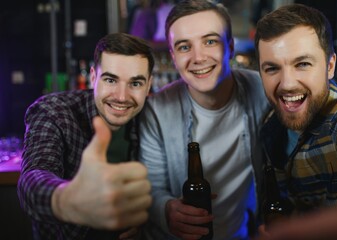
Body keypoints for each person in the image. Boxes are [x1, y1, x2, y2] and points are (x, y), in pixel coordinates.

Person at [138, 0, 270, 239]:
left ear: (230, 46)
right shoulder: (157, 110)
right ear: (173, 56)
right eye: (184, 47)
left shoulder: (264, 91)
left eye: (210, 41)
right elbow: (151, 189)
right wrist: (167, 209)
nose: (198, 58)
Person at [17, 32, 154, 240]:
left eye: (135, 83)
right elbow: (33, 178)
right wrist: (67, 201)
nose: (121, 96)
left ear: (148, 85)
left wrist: (145, 221)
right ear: (93, 77)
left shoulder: (150, 118)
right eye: (110, 80)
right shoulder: (54, 111)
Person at [254, 3, 337, 240]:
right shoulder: (271, 126)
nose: (288, 83)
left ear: (330, 66)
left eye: (302, 64)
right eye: (272, 68)